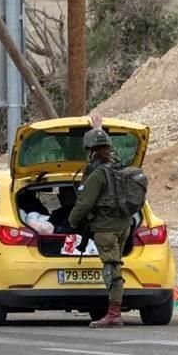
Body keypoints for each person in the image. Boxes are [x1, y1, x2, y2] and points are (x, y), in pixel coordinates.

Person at [69, 128, 134, 329]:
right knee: (116, 265)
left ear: (91, 151)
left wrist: (72, 221)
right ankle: (113, 310)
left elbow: (85, 203)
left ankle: (114, 314)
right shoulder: (120, 168)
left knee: (111, 268)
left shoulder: (98, 174)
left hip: (105, 229)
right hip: (124, 225)